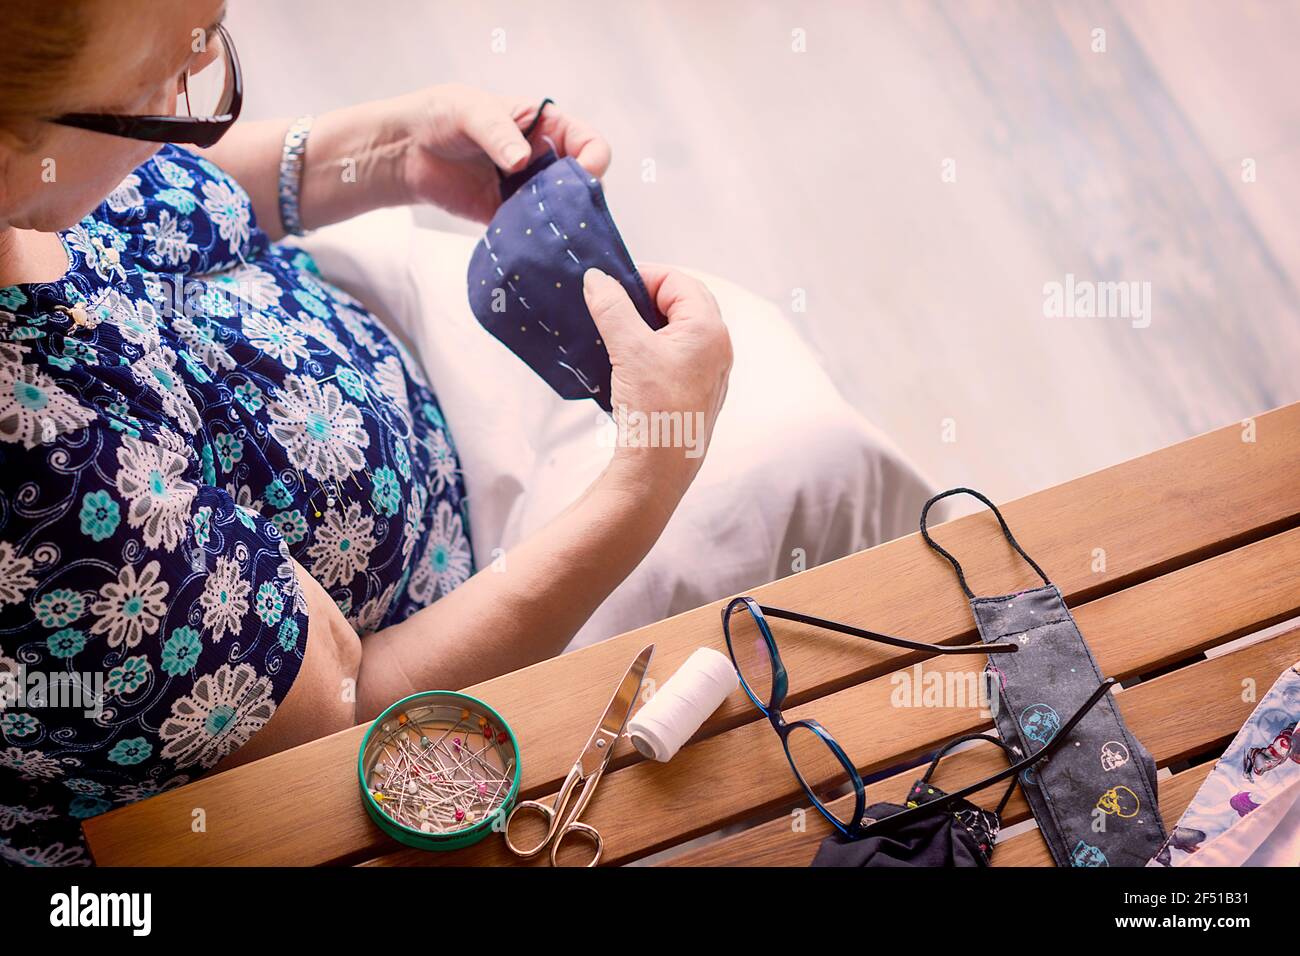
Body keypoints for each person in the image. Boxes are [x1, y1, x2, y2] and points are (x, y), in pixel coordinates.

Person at [0, 0, 731, 865]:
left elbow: (158, 187)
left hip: (400, 396)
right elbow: (347, 712)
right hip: (409, 688)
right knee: (812, 478)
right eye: (166, 82)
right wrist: (648, 475)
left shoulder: (50, 174)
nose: (191, 111)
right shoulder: (58, 509)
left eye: (212, 37)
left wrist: (394, 151)